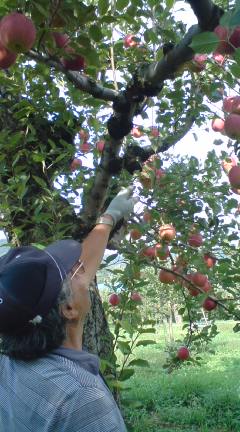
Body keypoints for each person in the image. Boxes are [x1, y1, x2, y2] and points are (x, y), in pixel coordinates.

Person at [0, 187, 137, 432]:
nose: (82, 269)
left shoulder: (8, 366)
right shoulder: (83, 399)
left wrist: (110, 217)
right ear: (69, 308)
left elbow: (81, 269)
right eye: (73, 271)